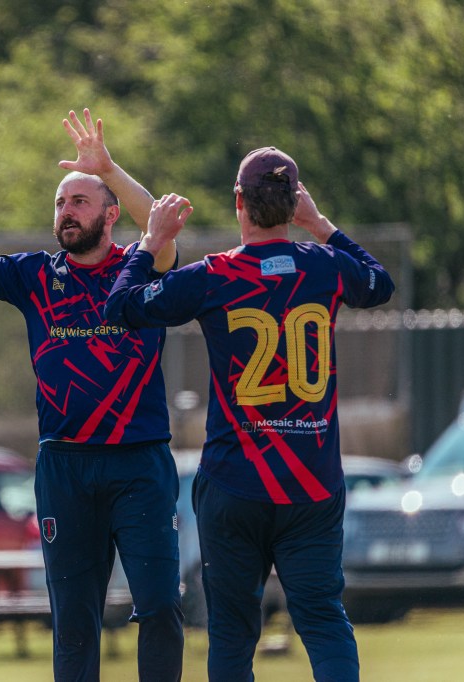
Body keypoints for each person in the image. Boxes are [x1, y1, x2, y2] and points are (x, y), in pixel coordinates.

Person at [104, 147, 395, 682]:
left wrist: (151, 243)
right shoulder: (326, 266)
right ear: (294, 203)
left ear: (238, 201)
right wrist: (321, 226)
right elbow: (380, 282)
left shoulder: (215, 274)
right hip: (311, 482)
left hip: (236, 482)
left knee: (233, 635)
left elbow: (121, 307)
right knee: (324, 622)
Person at [0, 109, 184, 681]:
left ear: (110, 214)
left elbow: (161, 227)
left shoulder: (140, 267)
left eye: (80, 202)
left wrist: (108, 169)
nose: (66, 211)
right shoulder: (35, 275)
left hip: (139, 463)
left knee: (161, 607)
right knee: (74, 624)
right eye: (61, 203)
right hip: (65, 466)